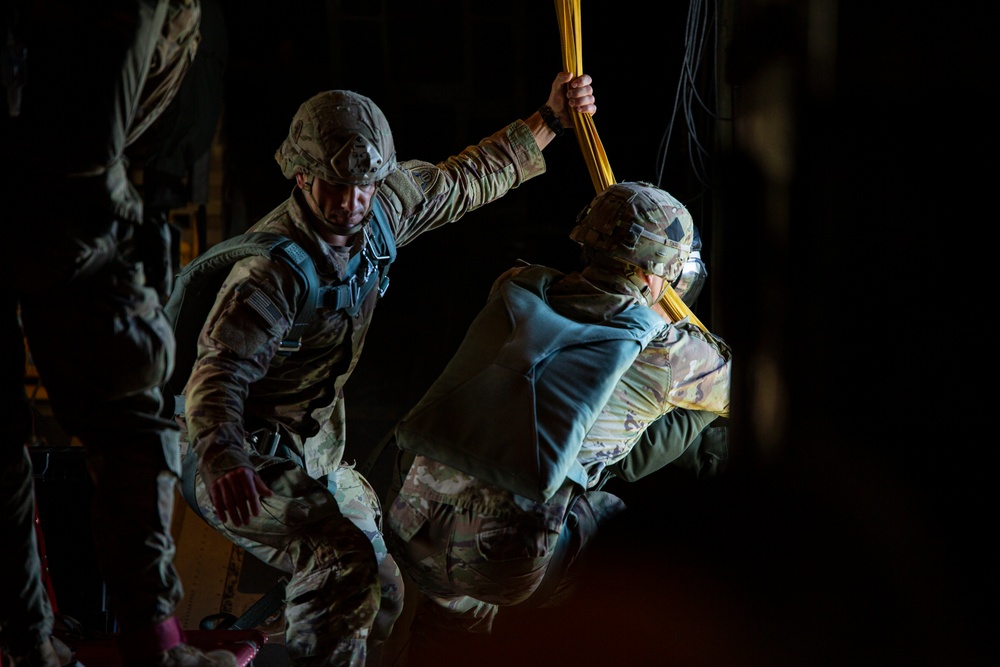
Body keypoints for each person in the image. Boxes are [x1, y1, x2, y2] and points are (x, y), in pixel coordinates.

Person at [176, 71, 597, 665]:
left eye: (365, 186)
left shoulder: (379, 212)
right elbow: (217, 377)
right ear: (301, 175)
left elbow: (464, 178)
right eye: (333, 185)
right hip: (234, 461)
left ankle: (247, 645)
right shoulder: (268, 275)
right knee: (341, 563)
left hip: (312, 452)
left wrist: (550, 119)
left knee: (383, 591)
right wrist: (222, 457)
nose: (350, 203)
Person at [383, 181, 732, 665]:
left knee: (456, 612)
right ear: (660, 276)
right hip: (506, 559)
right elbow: (739, 394)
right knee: (610, 515)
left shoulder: (515, 287)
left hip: (411, 525)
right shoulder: (670, 352)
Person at [0, 1, 238, 666]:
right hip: (67, 189)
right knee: (131, 407)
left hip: (67, 173)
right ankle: (151, 643)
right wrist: (112, 213)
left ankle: (28, 644)